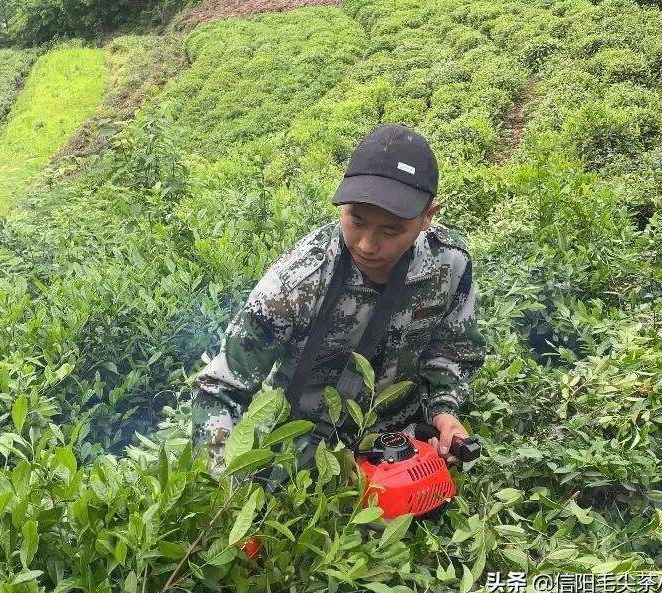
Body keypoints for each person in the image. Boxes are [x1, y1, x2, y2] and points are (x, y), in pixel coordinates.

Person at [190, 123, 486, 478]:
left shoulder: (448, 264)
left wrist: (444, 410)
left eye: (390, 230)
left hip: (398, 444)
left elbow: (452, 350)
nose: (367, 245)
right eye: (355, 220)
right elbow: (219, 390)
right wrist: (225, 485)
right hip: (298, 449)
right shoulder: (298, 282)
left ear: (428, 217)